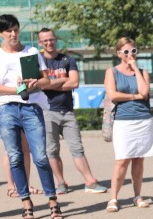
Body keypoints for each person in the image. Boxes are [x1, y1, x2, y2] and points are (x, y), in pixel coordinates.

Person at [0, 13, 62, 219]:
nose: (13, 34)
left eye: (16, 29)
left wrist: (34, 84)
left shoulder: (32, 51)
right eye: (9, 31)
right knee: (15, 156)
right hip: (6, 109)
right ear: (1, 34)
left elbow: (46, 81)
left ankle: (52, 199)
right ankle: (26, 202)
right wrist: (19, 88)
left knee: (41, 157)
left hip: (31, 107)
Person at [37, 27, 108, 195]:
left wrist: (50, 83)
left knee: (77, 147)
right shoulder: (37, 61)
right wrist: (63, 79)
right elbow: (40, 84)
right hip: (46, 112)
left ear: (56, 39)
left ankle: (90, 181)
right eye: (45, 40)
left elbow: (74, 83)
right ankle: (61, 183)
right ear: (40, 42)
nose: (49, 42)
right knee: (52, 150)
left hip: (67, 112)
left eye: (51, 39)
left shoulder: (68, 59)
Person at [103, 37, 153, 212]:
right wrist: (134, 97)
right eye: (126, 52)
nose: (130, 55)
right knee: (122, 160)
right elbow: (113, 95)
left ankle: (137, 195)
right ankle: (113, 198)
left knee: (139, 159)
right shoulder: (112, 72)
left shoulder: (142, 72)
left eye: (133, 51)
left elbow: (144, 91)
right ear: (119, 53)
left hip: (143, 119)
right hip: (123, 120)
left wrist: (135, 68)